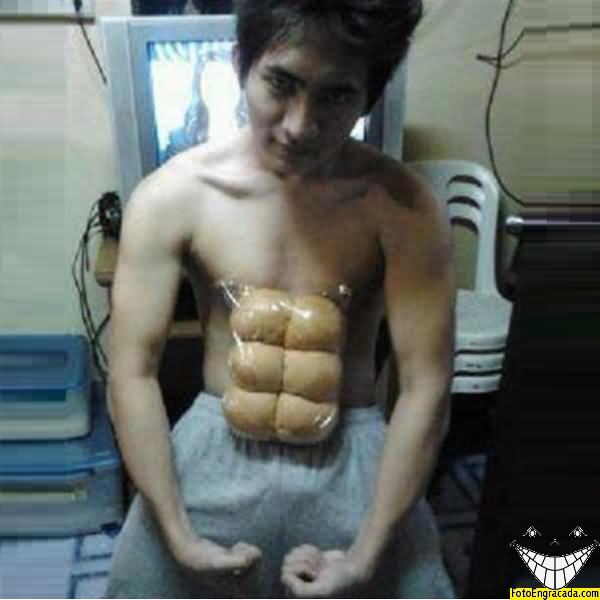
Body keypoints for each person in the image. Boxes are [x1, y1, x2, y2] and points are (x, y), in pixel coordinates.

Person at [105, 0, 456, 597]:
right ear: (240, 63)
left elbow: (427, 386)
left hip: (352, 454)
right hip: (215, 449)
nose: (299, 125)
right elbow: (131, 373)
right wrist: (178, 535)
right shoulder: (173, 197)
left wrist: (366, 555)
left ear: (370, 95)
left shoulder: (404, 207)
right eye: (281, 84)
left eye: (336, 96)